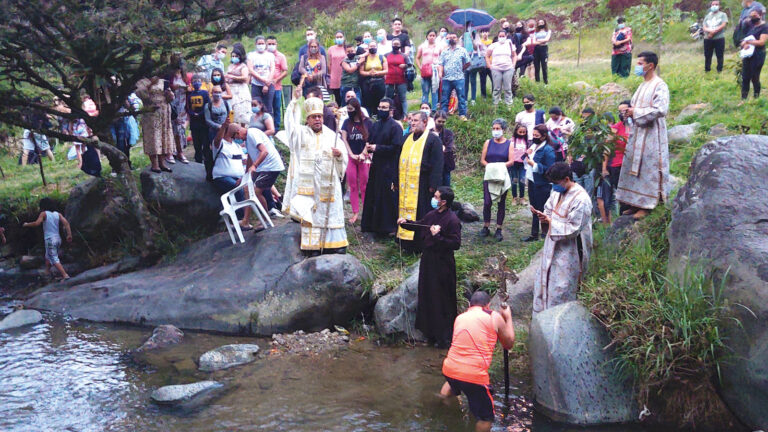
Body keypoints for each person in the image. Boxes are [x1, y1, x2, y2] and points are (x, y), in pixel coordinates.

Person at [283, 90, 349, 254]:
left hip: (328, 184)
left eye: (319, 116)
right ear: (308, 119)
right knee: (312, 214)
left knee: (331, 212)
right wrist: (293, 102)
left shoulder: (332, 135)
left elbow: (343, 158)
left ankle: (335, 244)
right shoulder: (300, 134)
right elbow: (290, 127)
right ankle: (312, 246)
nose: (317, 119)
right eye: (314, 117)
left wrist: (339, 156)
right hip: (310, 186)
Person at [440, 291, 516, 432]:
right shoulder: (493, 316)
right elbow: (509, 343)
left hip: (449, 368)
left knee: (451, 383)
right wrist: (508, 317)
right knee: (486, 418)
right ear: (488, 305)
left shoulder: (460, 317)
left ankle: (445, 407)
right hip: (474, 376)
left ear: (469, 305)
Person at [397, 186, 461, 348]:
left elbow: (455, 244)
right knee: (427, 295)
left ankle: (444, 337)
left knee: (442, 298)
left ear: (444, 202)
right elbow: (420, 226)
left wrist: (438, 236)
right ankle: (430, 333)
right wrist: (406, 224)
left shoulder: (452, 220)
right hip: (428, 261)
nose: (434, 198)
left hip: (443, 263)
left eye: (437, 197)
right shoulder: (431, 215)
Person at [531, 162, 593, 312]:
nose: (554, 186)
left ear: (566, 179)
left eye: (556, 182)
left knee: (562, 286)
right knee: (545, 280)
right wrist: (543, 217)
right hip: (552, 244)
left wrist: (551, 222)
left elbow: (574, 228)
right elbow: (549, 208)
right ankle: (543, 319)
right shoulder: (557, 192)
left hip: (570, 249)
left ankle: (559, 323)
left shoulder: (581, 199)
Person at [616, 51, 670, 220]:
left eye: (640, 63)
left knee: (649, 167)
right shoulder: (641, 86)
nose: (637, 66)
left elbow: (661, 109)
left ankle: (648, 205)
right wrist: (628, 113)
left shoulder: (659, 85)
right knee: (634, 166)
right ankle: (635, 202)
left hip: (652, 134)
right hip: (637, 132)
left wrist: (636, 112)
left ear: (650, 65)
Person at [396, 111, 444, 251]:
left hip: (423, 185)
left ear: (425, 122)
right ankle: (404, 242)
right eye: (411, 120)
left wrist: (433, 185)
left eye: (416, 120)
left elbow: (437, 164)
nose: (412, 123)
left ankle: (419, 244)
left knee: (422, 214)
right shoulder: (406, 139)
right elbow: (397, 161)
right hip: (405, 185)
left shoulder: (433, 140)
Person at [361, 98, 403, 235]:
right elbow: (370, 140)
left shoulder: (395, 127)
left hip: (389, 166)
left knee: (386, 196)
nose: (381, 110)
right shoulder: (375, 125)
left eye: (385, 108)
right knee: (373, 194)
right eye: (380, 107)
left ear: (391, 110)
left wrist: (377, 148)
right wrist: (368, 147)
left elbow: (396, 147)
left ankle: (388, 227)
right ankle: (372, 225)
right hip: (376, 165)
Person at [211, 123, 252, 228]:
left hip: (238, 177)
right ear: (233, 133)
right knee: (238, 189)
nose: (241, 137)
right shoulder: (220, 144)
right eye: (239, 133)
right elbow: (217, 141)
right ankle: (239, 220)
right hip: (221, 177)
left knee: (251, 187)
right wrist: (224, 127)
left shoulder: (237, 146)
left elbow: (244, 160)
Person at [479, 119, 514, 242]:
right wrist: (490, 167)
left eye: (498, 128)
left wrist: (500, 167)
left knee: (501, 203)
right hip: (489, 176)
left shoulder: (509, 144)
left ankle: (499, 228)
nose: (495, 131)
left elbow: (511, 161)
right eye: (493, 128)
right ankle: (486, 225)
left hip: (502, 177)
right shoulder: (488, 142)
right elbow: (483, 160)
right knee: (487, 202)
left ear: (503, 130)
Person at [597, 100, 631, 225]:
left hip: (634, 165)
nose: (623, 113)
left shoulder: (639, 126)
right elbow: (607, 149)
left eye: (625, 110)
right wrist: (604, 167)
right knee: (620, 194)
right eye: (620, 111)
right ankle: (622, 220)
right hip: (618, 165)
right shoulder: (616, 128)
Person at [23, 198, 73, 280]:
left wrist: (27, 224)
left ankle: (65, 275)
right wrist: (69, 234)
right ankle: (47, 272)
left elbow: (37, 223)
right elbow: (66, 223)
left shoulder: (44, 214)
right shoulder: (58, 214)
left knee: (53, 257)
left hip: (50, 239)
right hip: (58, 239)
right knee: (48, 255)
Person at [341, 98, 373, 224]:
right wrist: (351, 154)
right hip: (351, 157)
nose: (349, 112)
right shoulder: (346, 123)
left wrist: (363, 153)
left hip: (364, 157)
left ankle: (366, 211)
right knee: (353, 185)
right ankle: (355, 212)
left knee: (364, 186)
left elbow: (370, 139)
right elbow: (344, 139)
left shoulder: (367, 123)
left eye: (351, 109)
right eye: (347, 109)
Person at [523, 124, 556, 242]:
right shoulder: (534, 146)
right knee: (534, 208)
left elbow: (550, 169)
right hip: (532, 181)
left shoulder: (548, 150)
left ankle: (545, 234)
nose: (534, 137)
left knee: (542, 209)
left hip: (542, 184)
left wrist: (535, 165)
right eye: (533, 135)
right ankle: (534, 233)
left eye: (536, 135)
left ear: (543, 136)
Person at [135, 75, 174, 173]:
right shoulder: (141, 82)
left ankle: (162, 163)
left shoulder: (163, 81)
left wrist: (170, 94)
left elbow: (170, 98)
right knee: (153, 137)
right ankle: (154, 164)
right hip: (151, 113)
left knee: (163, 137)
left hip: (164, 112)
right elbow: (143, 96)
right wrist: (150, 84)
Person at [245, 125, 285, 219]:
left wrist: (254, 165)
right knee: (247, 188)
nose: (237, 139)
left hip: (270, 166)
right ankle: (245, 221)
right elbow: (250, 157)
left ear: (238, 132)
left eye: (235, 137)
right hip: (263, 167)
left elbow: (264, 151)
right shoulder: (247, 138)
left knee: (256, 192)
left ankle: (266, 217)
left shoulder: (251, 133)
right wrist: (246, 175)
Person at [438, 32, 471, 121]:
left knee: (461, 97)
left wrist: (462, 69)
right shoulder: (444, 51)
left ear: (457, 39)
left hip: (459, 78)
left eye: (454, 37)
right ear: (447, 39)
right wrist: (440, 73)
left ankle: (462, 114)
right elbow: (440, 63)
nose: (452, 39)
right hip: (446, 78)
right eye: (450, 37)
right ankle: (443, 115)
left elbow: (468, 62)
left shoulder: (462, 50)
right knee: (445, 98)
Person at [165, 54, 190, 164]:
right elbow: (166, 87)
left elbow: (189, 87)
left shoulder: (184, 76)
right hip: (172, 104)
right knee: (170, 128)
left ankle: (180, 152)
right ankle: (170, 152)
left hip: (182, 105)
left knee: (180, 130)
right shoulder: (169, 75)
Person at [203, 85, 231, 181]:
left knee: (225, 152)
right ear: (212, 93)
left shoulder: (226, 104)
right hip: (213, 132)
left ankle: (224, 172)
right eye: (215, 92)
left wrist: (227, 126)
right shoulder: (208, 105)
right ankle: (211, 174)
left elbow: (231, 115)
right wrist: (218, 126)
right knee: (213, 152)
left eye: (219, 92)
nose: (218, 94)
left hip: (226, 132)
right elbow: (207, 120)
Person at [740, 10, 768, 100]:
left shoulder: (765, 27)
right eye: (751, 16)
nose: (753, 18)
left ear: (760, 15)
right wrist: (744, 44)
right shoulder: (750, 27)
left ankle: (756, 98)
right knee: (745, 77)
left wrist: (749, 42)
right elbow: (743, 40)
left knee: (754, 77)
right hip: (748, 55)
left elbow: (762, 42)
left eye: (755, 15)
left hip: (758, 54)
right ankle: (744, 98)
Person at [486, 29, 517, 106]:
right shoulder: (493, 45)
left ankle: (509, 104)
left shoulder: (510, 45)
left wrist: (513, 65)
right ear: (498, 36)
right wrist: (489, 65)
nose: (501, 37)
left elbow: (514, 55)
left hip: (508, 68)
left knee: (508, 88)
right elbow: (487, 55)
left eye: (503, 36)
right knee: (497, 88)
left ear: (506, 36)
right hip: (496, 69)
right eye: (500, 36)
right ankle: (495, 105)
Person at [247, 36, 276, 116]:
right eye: (259, 43)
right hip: (256, 85)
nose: (261, 45)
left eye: (262, 43)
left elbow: (272, 69)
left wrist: (267, 84)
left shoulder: (270, 55)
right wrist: (263, 80)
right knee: (256, 106)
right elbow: (251, 70)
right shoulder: (251, 55)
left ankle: (270, 127)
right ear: (255, 44)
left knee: (268, 108)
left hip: (269, 85)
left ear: (265, 44)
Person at [186, 74, 211, 166]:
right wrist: (193, 114)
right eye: (194, 81)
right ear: (191, 83)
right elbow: (188, 107)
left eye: (198, 81)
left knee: (205, 142)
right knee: (196, 143)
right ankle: (198, 161)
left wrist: (201, 114)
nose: (196, 83)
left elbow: (208, 105)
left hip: (204, 122)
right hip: (194, 123)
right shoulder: (190, 95)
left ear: (202, 82)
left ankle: (207, 161)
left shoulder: (204, 93)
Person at [225, 43, 252, 125]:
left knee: (241, 111)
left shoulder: (243, 66)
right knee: (231, 110)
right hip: (231, 89)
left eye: (236, 56)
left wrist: (232, 76)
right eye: (232, 56)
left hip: (240, 91)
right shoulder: (231, 66)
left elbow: (245, 78)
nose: (234, 58)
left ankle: (242, 128)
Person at [359, 41, 388, 116]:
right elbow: (361, 71)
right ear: (368, 48)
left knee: (379, 100)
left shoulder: (382, 57)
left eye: (374, 46)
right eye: (371, 46)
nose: (373, 48)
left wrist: (377, 73)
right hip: (367, 82)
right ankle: (369, 116)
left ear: (377, 47)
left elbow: (386, 70)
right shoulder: (364, 58)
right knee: (368, 101)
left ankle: (379, 116)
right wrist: (369, 73)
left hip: (379, 81)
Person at [415, 29, 442, 110]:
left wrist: (440, 71)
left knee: (434, 91)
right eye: (430, 35)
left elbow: (442, 59)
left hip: (435, 71)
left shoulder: (439, 47)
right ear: (427, 37)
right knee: (425, 91)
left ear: (436, 37)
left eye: (434, 35)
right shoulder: (422, 47)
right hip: (425, 71)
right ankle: (424, 109)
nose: (432, 37)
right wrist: (420, 67)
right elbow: (417, 58)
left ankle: (433, 109)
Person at [266, 36, 288, 129]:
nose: (271, 46)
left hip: (277, 87)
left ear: (276, 44)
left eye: (273, 44)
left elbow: (285, 71)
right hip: (265, 86)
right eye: (269, 44)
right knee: (267, 108)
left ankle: (276, 128)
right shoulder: (264, 56)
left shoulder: (281, 56)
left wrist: (277, 79)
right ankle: (267, 127)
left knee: (276, 108)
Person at [385, 38, 409, 119]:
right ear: (391, 45)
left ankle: (405, 116)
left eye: (397, 44)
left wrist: (405, 66)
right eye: (394, 44)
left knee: (403, 98)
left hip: (402, 80)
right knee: (388, 98)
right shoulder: (386, 55)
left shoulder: (404, 56)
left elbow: (410, 66)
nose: (396, 46)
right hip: (389, 80)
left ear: (400, 45)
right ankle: (388, 115)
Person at [703, 1, 729, 73]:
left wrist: (714, 32)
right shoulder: (707, 16)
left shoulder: (723, 15)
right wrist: (710, 32)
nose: (714, 6)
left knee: (719, 55)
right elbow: (704, 27)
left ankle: (719, 70)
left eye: (716, 4)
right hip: (708, 38)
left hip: (719, 38)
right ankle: (707, 70)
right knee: (707, 55)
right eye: (713, 4)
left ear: (719, 6)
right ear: (711, 5)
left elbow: (723, 25)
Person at [434, 111, 455, 186]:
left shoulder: (448, 133)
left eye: (443, 122)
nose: (441, 124)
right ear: (434, 120)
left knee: (446, 187)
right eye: (439, 121)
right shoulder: (429, 132)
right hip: (433, 166)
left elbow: (449, 148)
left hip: (446, 165)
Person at [510, 124, 529, 205]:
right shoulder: (512, 140)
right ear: (516, 131)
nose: (522, 133)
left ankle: (522, 198)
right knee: (514, 180)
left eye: (523, 132)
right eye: (520, 132)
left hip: (523, 164)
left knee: (522, 180)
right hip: (514, 163)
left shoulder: (527, 141)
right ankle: (514, 197)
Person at [327, 31, 348, 104]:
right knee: (337, 98)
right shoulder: (331, 49)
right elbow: (329, 63)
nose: (339, 38)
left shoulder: (347, 48)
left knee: (346, 97)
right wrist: (330, 76)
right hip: (335, 77)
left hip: (345, 76)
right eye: (337, 37)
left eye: (341, 37)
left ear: (344, 38)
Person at [532, 19, 552, 84]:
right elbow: (534, 41)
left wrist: (538, 40)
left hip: (544, 48)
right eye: (539, 22)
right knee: (536, 66)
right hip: (536, 49)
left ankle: (545, 82)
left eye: (542, 22)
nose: (540, 23)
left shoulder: (548, 31)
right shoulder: (535, 32)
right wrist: (542, 41)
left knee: (544, 66)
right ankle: (537, 82)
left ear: (544, 23)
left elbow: (547, 39)